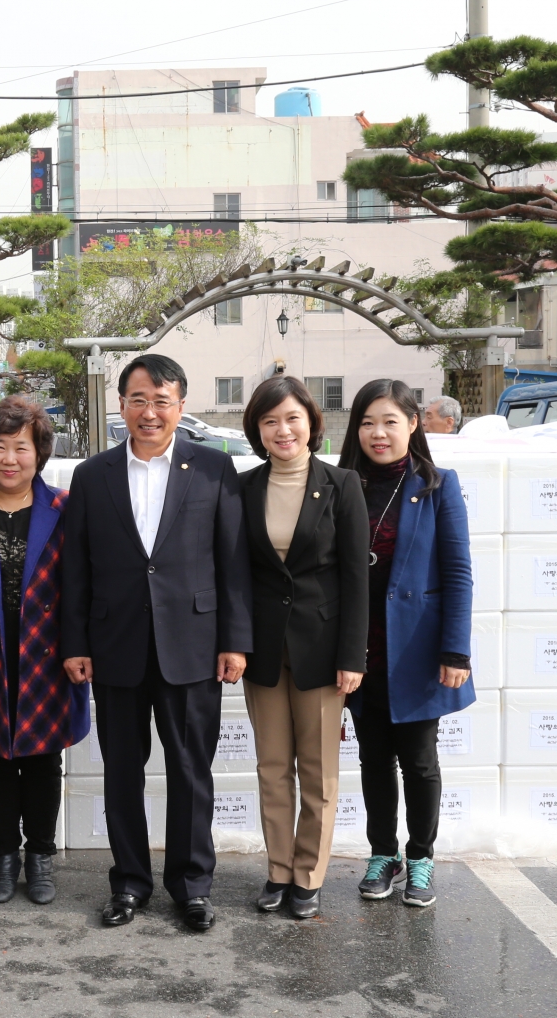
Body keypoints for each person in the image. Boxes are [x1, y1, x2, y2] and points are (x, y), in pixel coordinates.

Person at [61, 353, 251, 933]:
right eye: (138, 399)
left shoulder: (215, 469)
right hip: (115, 644)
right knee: (122, 770)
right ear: (121, 406)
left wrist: (235, 641)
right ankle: (130, 884)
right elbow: (76, 570)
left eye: (161, 400)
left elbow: (233, 562)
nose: (149, 411)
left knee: (191, 769)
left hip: (193, 644)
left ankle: (192, 887)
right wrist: (75, 642)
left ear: (181, 406)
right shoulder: (92, 476)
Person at [0, 395, 88, 906]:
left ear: (40, 453)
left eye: (21, 448)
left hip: (48, 655)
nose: (10, 459)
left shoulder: (66, 509)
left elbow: (82, 586)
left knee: (45, 761)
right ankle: (4, 856)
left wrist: (79, 646)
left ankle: (41, 857)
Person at [338, 379, 473, 909]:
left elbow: (458, 571)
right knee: (373, 758)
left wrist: (454, 651)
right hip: (359, 647)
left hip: (417, 646)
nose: (378, 433)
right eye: (368, 422)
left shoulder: (438, 484)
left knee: (418, 759)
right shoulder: (341, 483)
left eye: (390, 421)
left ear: (413, 424)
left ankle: (420, 857)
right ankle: (382, 853)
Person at [237, 375, 368, 919]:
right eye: (270, 421)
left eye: (292, 418)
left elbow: (357, 577)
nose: (282, 430)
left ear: (312, 423)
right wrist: (234, 642)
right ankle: (278, 870)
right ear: (258, 431)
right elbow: (237, 574)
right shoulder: (243, 489)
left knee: (317, 771)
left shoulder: (342, 485)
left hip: (322, 649)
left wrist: (352, 657)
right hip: (263, 651)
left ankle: (309, 877)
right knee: (272, 766)